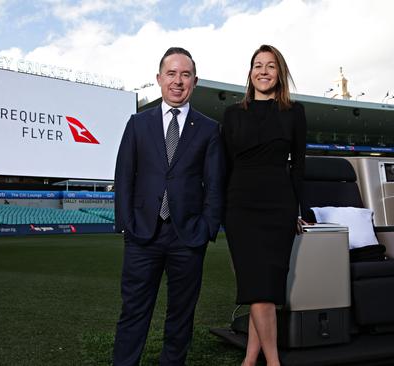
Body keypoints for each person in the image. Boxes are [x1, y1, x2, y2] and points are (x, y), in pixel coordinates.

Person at [113, 47, 224, 366]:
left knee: (181, 315)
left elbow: (215, 186)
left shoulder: (208, 128)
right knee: (133, 311)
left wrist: (206, 230)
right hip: (142, 235)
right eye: (172, 74)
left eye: (185, 74)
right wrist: (127, 225)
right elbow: (124, 176)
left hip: (187, 237)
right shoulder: (137, 123)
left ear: (195, 81)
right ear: (159, 79)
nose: (178, 81)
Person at [221, 44, 307, 366]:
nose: (263, 71)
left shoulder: (294, 113)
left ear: (279, 72)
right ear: (250, 72)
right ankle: (273, 362)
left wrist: (302, 209)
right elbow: (225, 168)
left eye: (270, 66)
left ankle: (250, 358)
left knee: (267, 287)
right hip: (241, 208)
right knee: (257, 286)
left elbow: (298, 165)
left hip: (279, 207)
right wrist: (221, 212)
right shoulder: (232, 114)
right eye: (258, 65)